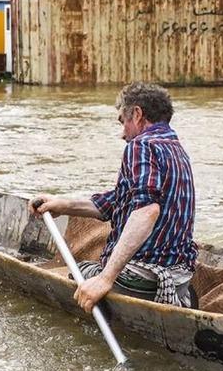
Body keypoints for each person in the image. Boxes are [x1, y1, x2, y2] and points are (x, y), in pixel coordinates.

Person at [30, 82, 197, 313]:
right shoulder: (177, 149)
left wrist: (105, 278)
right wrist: (63, 205)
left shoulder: (141, 146)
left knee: (82, 270)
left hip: (145, 279)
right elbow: (116, 201)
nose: (122, 134)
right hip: (179, 279)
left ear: (137, 114)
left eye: (122, 121)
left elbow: (147, 211)